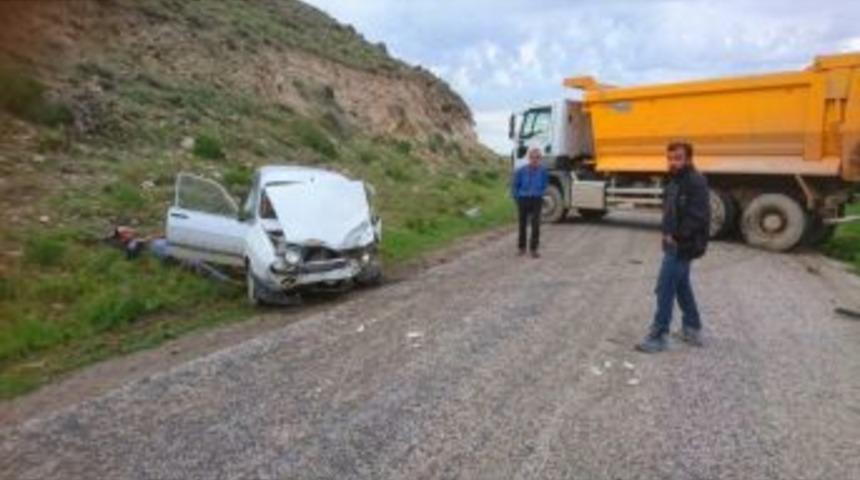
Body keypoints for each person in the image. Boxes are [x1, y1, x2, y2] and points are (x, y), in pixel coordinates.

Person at [636, 141, 711, 353]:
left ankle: (659, 336)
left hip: (682, 245)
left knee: (665, 287)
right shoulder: (674, 179)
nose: (673, 162)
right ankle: (692, 328)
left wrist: (676, 236)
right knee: (681, 285)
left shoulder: (696, 181)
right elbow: (670, 210)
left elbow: (698, 216)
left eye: (678, 158)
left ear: (688, 158)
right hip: (673, 243)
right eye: (670, 158)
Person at [511, 147, 549, 258]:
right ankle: (521, 248)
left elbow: (545, 184)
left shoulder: (543, 171)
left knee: (535, 225)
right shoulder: (521, 171)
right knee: (522, 225)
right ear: (529, 158)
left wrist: (540, 192)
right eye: (532, 157)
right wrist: (517, 198)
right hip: (523, 199)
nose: (535, 159)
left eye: (537, 157)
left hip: (536, 199)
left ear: (540, 159)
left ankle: (534, 249)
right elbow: (515, 185)